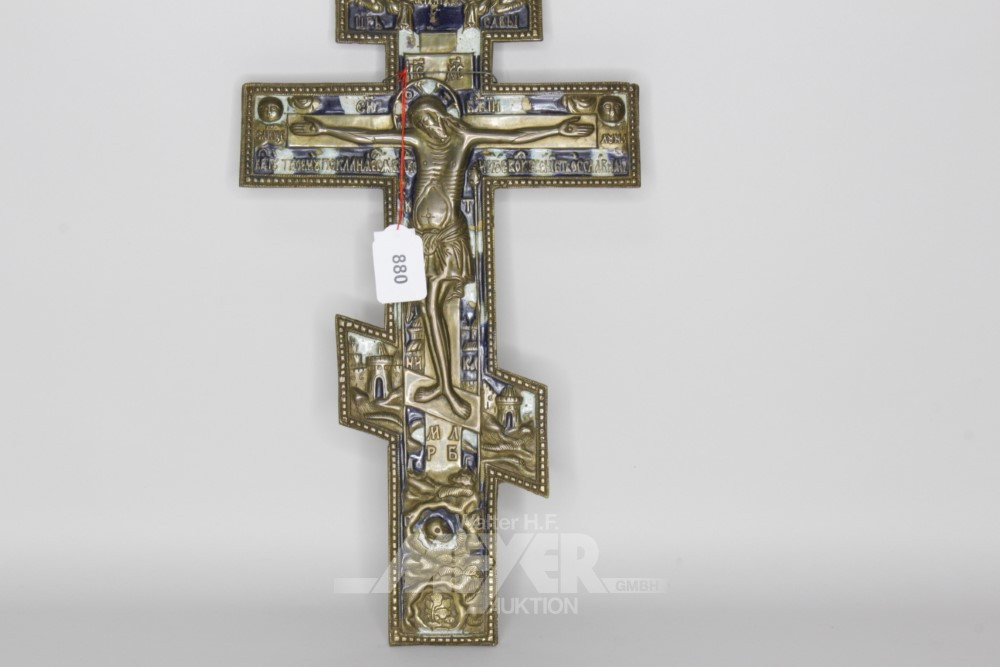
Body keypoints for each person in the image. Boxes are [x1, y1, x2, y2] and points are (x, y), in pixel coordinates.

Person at [292, 95, 592, 418]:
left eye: (428, 119)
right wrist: (324, 128)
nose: (426, 126)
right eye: (419, 122)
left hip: (448, 237)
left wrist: (557, 128)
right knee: (425, 308)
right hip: (423, 239)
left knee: (431, 305)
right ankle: (443, 386)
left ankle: (447, 388)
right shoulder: (418, 140)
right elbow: (370, 138)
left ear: (440, 115)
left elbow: (514, 137)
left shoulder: (463, 137)